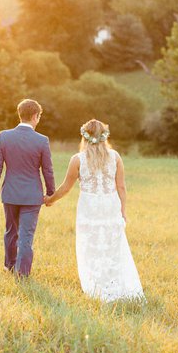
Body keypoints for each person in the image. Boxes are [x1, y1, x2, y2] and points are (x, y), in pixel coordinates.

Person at [45, 119, 144, 302]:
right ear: (104, 136)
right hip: (110, 207)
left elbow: (66, 187)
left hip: (89, 209)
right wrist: (123, 211)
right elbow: (121, 187)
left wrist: (50, 199)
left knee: (90, 247)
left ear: (84, 136)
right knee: (112, 247)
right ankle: (116, 286)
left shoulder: (78, 159)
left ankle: (96, 287)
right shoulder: (115, 157)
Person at [0, 99, 55, 277]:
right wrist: (50, 194)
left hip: (10, 193)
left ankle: (9, 266)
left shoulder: (4, 136)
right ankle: (22, 273)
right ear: (35, 116)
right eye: (39, 117)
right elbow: (47, 169)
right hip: (32, 196)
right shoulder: (42, 140)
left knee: (11, 231)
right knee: (26, 235)